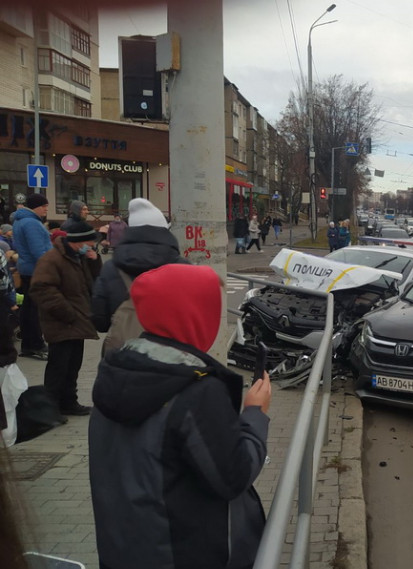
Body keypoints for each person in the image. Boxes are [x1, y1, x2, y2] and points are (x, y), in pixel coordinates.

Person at [89, 264, 272, 569]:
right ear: (195, 315)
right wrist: (255, 414)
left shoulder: (115, 369)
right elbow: (233, 476)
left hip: (123, 551)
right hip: (184, 554)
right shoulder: (197, 390)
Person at [91, 198, 188, 351]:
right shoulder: (183, 268)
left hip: (122, 357)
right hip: (172, 358)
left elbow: (100, 321)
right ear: (164, 230)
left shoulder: (111, 267)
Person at [29, 220, 101, 416]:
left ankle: (69, 403)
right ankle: (50, 409)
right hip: (61, 322)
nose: (93, 245)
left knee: (72, 366)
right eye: (90, 242)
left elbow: (93, 282)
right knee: (58, 368)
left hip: (77, 322)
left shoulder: (79, 258)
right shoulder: (52, 259)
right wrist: (67, 312)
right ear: (78, 241)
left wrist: (94, 260)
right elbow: (41, 289)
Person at [12, 193, 52, 360]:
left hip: (26, 268)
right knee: (35, 309)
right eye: (44, 206)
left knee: (28, 307)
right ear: (35, 206)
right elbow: (38, 251)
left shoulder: (19, 221)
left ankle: (29, 343)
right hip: (36, 269)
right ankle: (35, 344)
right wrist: (52, 266)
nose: (46, 209)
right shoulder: (32, 223)